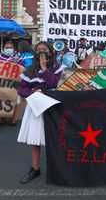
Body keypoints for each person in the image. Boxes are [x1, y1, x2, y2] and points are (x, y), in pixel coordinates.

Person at [16, 41, 64, 184]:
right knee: (35, 139)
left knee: (56, 139)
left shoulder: (59, 68)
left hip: (54, 106)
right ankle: (35, 168)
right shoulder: (29, 70)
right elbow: (21, 89)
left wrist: (44, 68)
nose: (42, 52)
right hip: (36, 107)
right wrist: (31, 91)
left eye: (45, 50)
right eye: (39, 50)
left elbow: (53, 84)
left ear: (51, 52)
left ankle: (57, 169)